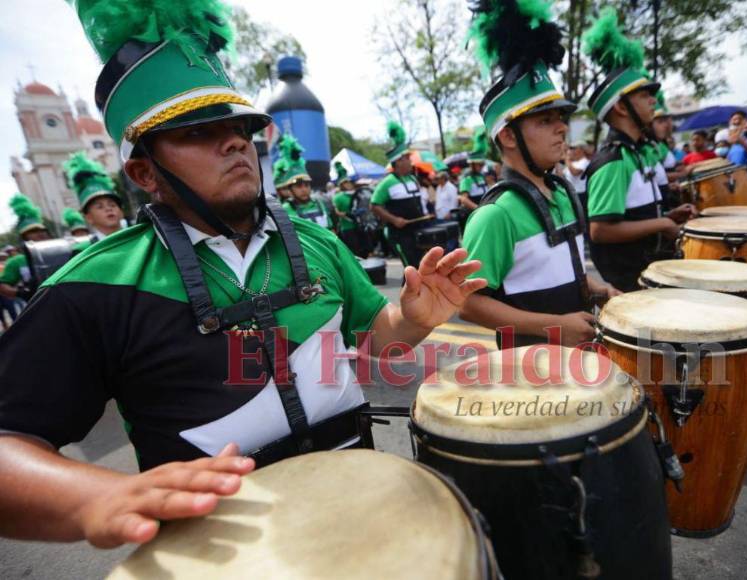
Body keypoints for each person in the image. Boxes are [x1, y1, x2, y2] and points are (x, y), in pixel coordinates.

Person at [0, 0, 487, 548]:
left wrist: (414, 319)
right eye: (196, 132)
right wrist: (96, 495)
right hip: (224, 549)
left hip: (362, 507)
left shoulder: (315, 240)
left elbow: (378, 336)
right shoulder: (94, 285)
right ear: (144, 171)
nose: (233, 141)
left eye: (238, 126)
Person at [460, 0, 619, 348]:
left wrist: (596, 287)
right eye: (545, 121)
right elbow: (467, 303)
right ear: (507, 136)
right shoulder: (494, 215)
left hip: (578, 358)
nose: (561, 129)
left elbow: (555, 269)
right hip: (530, 374)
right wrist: (553, 326)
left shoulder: (561, 192)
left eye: (561, 119)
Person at [582, 8, 695, 292]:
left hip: (651, 267)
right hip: (631, 280)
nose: (653, 102)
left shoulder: (634, 152)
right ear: (621, 107)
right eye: (644, 96)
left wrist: (667, 218)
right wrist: (661, 224)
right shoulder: (613, 160)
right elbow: (600, 231)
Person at [370, 121, 429, 268]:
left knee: (421, 268)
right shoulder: (387, 182)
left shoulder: (412, 178)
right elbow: (374, 205)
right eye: (407, 158)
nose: (411, 161)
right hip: (400, 235)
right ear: (398, 161)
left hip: (418, 230)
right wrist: (394, 219)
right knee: (411, 269)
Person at [63, 151, 125, 240]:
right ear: (88, 218)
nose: (108, 209)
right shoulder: (84, 251)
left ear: (121, 212)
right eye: (100, 207)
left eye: (112, 205)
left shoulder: (143, 238)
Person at [0, 194, 51, 301]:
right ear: (24, 237)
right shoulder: (17, 261)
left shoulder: (63, 251)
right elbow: (2, 285)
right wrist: (21, 293)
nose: (40, 234)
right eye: (32, 231)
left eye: (42, 231)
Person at [278, 135, 334, 230]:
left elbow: (332, 230)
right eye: (299, 186)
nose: (304, 189)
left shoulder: (320, 203)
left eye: (307, 185)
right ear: (290, 190)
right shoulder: (285, 210)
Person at [332, 161, 368, 258]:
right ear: (341, 184)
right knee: (354, 251)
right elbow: (335, 212)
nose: (348, 184)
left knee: (364, 250)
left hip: (360, 225)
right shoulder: (338, 197)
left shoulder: (357, 194)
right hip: (347, 227)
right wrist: (347, 215)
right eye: (345, 182)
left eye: (348, 182)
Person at [458, 127, 490, 212]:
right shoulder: (466, 179)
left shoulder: (482, 176)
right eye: (479, 165)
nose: (482, 166)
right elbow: (463, 199)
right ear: (472, 165)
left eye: (482, 164)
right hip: (475, 213)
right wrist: (478, 209)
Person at [563, 142, 590, 211]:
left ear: (581, 150)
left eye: (574, 148)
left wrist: (566, 158)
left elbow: (575, 172)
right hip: (570, 193)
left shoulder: (585, 161)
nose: (571, 150)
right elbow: (562, 175)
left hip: (580, 194)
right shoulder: (573, 163)